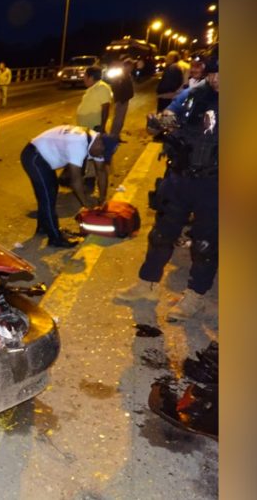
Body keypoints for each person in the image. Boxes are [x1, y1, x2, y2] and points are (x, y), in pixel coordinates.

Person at [116, 56, 219, 321]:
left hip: (215, 184)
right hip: (179, 177)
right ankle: (147, 284)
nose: (217, 78)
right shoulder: (192, 94)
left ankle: (196, 296)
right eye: (214, 72)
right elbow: (167, 117)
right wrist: (159, 122)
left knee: (206, 244)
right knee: (161, 234)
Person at [20, 125, 119, 248]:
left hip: (44, 158)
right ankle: (55, 238)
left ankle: (44, 227)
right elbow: (75, 180)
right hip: (34, 157)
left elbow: (101, 171)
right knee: (47, 195)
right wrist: (85, 202)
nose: (100, 156)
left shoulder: (97, 143)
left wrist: (103, 198)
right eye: (102, 153)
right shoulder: (78, 144)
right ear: (99, 144)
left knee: (49, 193)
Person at [76, 66, 112, 133]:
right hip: (86, 127)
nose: (83, 79)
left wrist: (102, 127)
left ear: (91, 78)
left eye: (85, 76)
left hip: (94, 127)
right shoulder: (92, 88)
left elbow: (105, 107)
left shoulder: (102, 87)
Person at [108, 57, 135, 138]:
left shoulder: (127, 75)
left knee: (120, 119)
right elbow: (115, 87)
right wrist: (119, 99)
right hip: (121, 101)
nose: (131, 69)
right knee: (118, 120)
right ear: (126, 66)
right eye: (130, 67)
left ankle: (116, 135)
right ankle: (113, 136)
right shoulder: (121, 75)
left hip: (124, 100)